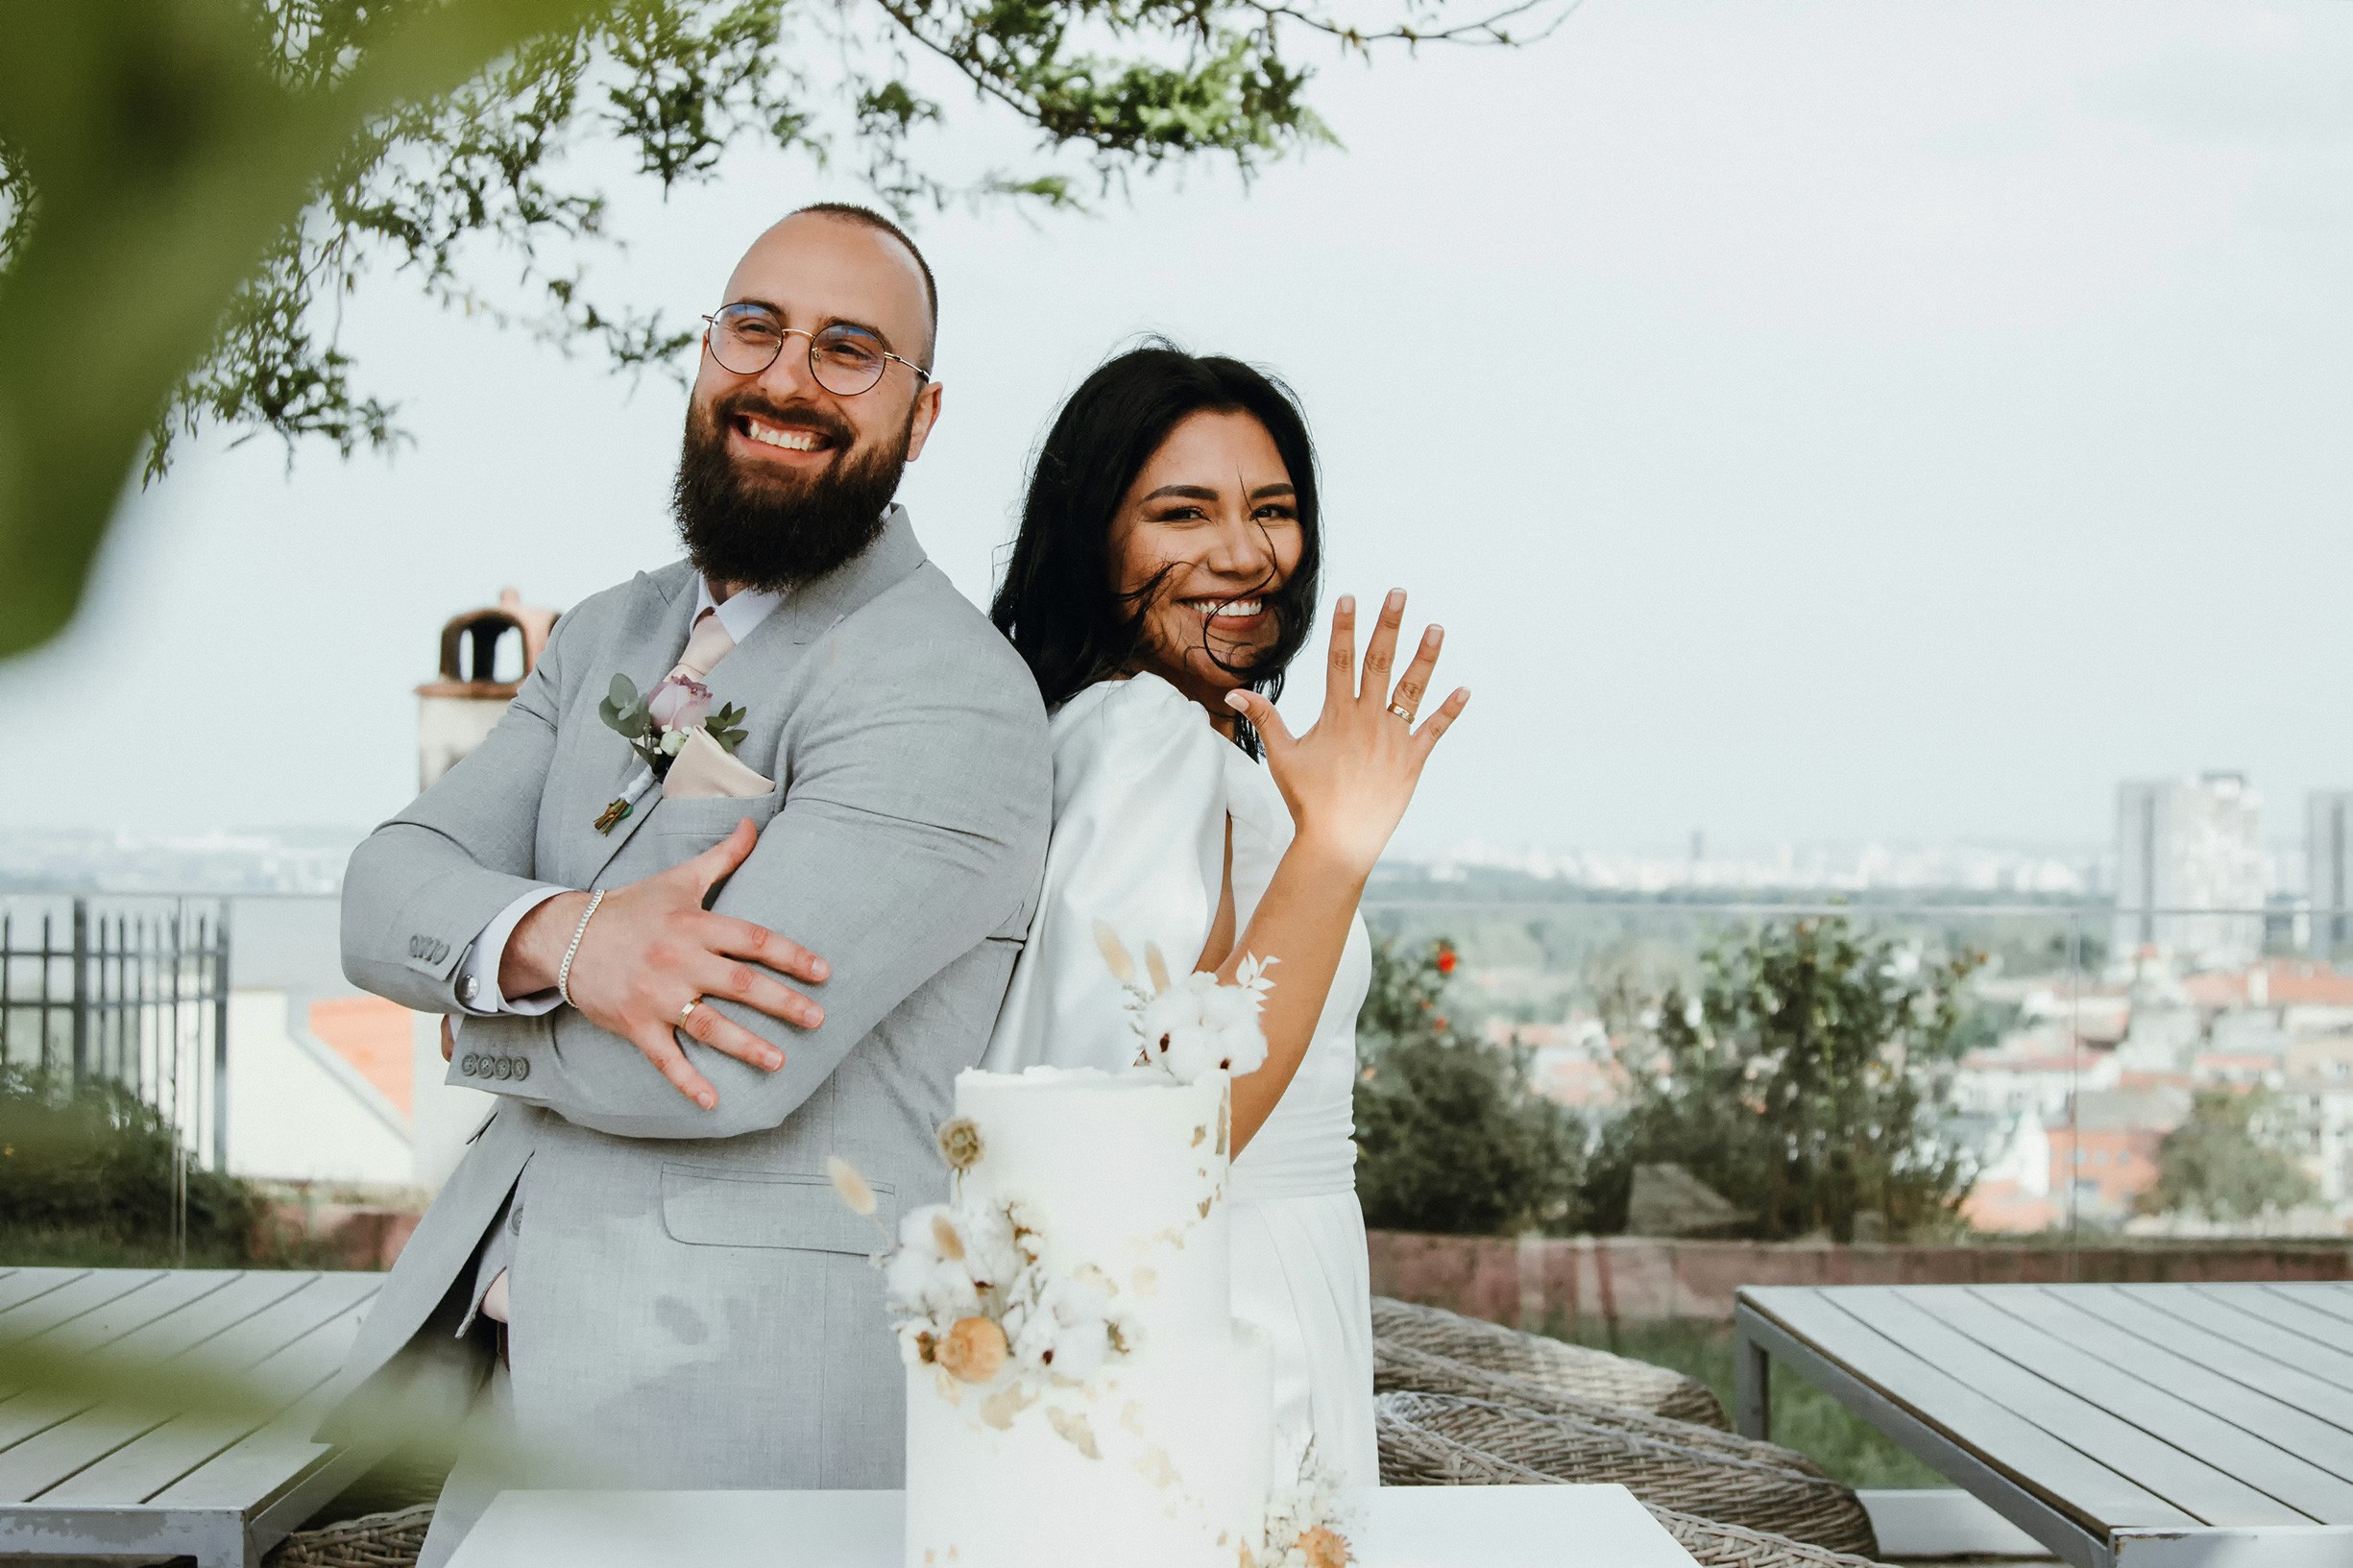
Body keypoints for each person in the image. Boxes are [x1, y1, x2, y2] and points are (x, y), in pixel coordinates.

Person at [323, 204, 1051, 1566]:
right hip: (513, 1384)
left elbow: (712, 1064)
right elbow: (378, 892)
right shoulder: (610, 630)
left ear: (924, 411)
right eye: (755, 329)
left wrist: (479, 1000)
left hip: (753, 1415)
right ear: (706, 350)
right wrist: (569, 938)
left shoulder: (945, 688)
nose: (785, 379)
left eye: (849, 351)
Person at [982, 344, 1468, 1491]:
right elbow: (1155, 1126)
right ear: (1090, 532)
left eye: (1273, 511)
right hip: (1224, 1310)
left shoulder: (1136, 730)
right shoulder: (1145, 737)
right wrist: (1337, 844)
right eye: (1180, 512)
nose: (1243, 554)